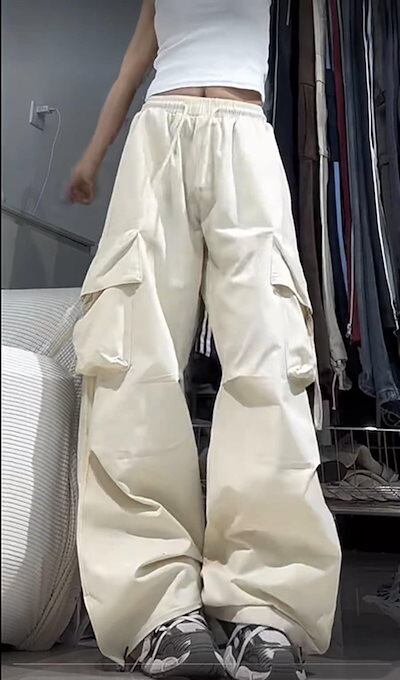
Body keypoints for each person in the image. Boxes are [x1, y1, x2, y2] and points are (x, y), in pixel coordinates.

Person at [69, 1, 342, 678]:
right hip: (158, 134)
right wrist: (92, 158)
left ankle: (266, 604)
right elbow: (133, 67)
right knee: (132, 361)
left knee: (270, 360)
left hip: (244, 137)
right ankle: (153, 607)